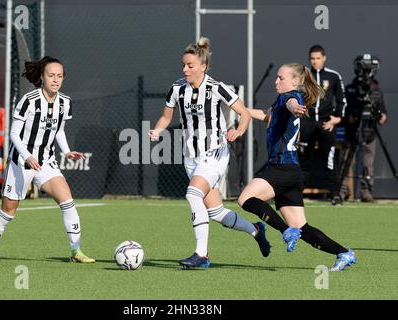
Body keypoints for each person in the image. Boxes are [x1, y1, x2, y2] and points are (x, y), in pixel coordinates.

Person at [148, 38, 271, 269]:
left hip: (215, 152)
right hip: (191, 157)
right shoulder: (177, 88)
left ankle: (201, 255)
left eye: (190, 65)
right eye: (184, 65)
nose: (185, 69)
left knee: (193, 194)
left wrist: (239, 129)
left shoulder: (216, 88)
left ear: (203, 66)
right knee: (215, 212)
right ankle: (255, 230)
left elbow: (244, 113)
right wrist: (157, 130)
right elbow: (166, 117)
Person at [238, 62, 356, 271]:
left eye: (281, 78)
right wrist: (238, 108)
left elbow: (292, 103)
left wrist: (295, 107)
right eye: (277, 77)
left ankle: (284, 231)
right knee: (302, 227)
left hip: (280, 168)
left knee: (245, 199)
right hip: (293, 172)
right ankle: (343, 253)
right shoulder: (282, 102)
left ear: (295, 81)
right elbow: (266, 114)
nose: (276, 81)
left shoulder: (289, 97)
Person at [0, 56, 95, 263]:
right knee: (8, 212)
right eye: (51, 75)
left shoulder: (65, 102)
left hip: (46, 162)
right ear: (42, 77)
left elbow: (58, 129)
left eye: (59, 76)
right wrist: (28, 156)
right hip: (21, 162)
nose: (55, 80)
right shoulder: (29, 100)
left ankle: (76, 252)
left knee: (67, 201)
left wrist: (67, 151)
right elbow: (14, 135)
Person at [299, 45, 347, 205]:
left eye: (318, 58)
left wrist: (337, 119)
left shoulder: (333, 76)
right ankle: (298, 195)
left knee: (330, 159)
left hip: (327, 123)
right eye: (312, 58)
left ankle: (335, 195)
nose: (315, 61)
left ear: (324, 58)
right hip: (307, 123)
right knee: (304, 159)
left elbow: (342, 101)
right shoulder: (303, 76)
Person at [339, 60, 387, 202]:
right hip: (351, 132)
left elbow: (383, 113)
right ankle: (342, 191)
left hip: (369, 132)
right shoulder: (350, 90)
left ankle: (367, 192)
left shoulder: (377, 92)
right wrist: (350, 117)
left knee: (368, 164)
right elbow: (344, 111)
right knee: (346, 163)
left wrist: (382, 116)